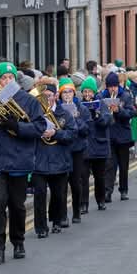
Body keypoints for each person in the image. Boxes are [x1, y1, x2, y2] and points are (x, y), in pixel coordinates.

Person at [0, 62, 48, 265]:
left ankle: (18, 242)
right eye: (3, 79)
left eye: (10, 78)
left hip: (19, 159)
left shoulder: (28, 100)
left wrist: (16, 126)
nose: (7, 82)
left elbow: (39, 128)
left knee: (17, 206)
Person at [31, 79, 76, 238]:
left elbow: (72, 134)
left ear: (56, 96)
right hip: (40, 160)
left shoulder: (65, 114)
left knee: (59, 195)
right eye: (43, 96)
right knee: (40, 196)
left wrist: (56, 133)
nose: (46, 99)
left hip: (60, 160)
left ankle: (57, 221)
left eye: (49, 96)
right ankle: (41, 227)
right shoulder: (35, 114)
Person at [79, 77, 112, 212]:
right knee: (83, 177)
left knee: (100, 176)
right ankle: (83, 203)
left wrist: (97, 115)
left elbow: (106, 121)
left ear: (94, 92)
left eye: (89, 91)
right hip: (85, 146)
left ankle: (101, 200)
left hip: (99, 145)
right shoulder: (79, 105)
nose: (87, 94)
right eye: (85, 91)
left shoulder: (101, 103)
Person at [101, 72, 136, 202]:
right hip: (109, 136)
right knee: (109, 166)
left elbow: (131, 113)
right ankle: (107, 192)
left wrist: (119, 111)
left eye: (115, 86)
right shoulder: (102, 97)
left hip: (123, 136)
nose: (113, 89)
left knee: (123, 166)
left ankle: (124, 190)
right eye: (110, 86)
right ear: (107, 86)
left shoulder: (125, 96)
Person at [59, 78, 89, 224]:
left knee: (76, 183)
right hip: (62, 150)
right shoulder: (57, 109)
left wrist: (76, 119)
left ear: (74, 93)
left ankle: (77, 211)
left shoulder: (82, 108)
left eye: (69, 92)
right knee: (62, 184)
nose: (67, 95)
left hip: (77, 150)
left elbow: (86, 130)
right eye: (64, 92)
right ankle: (63, 216)